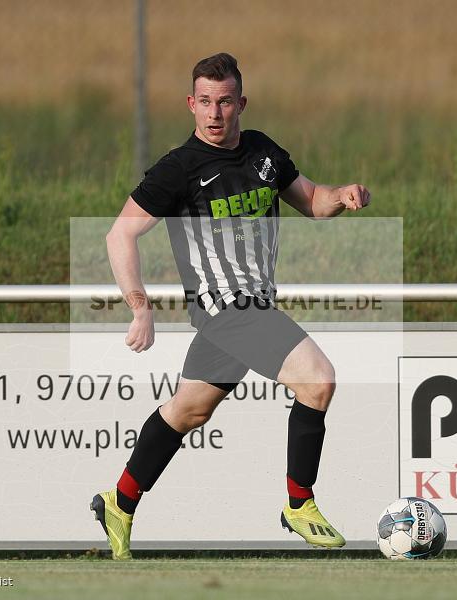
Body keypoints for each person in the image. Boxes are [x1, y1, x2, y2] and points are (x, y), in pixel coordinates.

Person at [91, 52, 370, 559]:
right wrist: (140, 306)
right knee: (318, 379)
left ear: (241, 102)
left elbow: (311, 199)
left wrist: (342, 195)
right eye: (204, 102)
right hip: (226, 309)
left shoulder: (262, 152)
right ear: (190, 105)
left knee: (187, 411)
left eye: (224, 102)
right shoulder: (178, 169)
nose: (214, 113)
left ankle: (119, 501)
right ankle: (298, 504)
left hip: (252, 306)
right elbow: (120, 234)